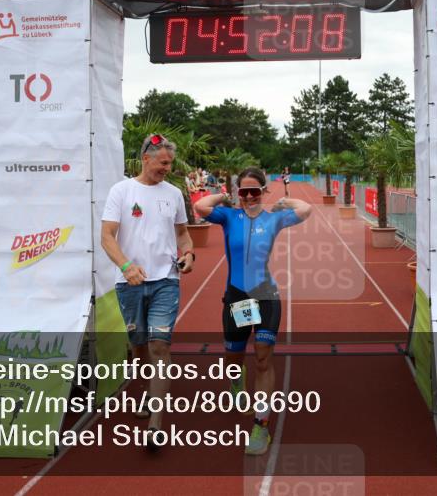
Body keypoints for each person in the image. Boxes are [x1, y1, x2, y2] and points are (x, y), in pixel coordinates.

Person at [193, 167, 311, 455]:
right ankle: (236, 379)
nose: (248, 197)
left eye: (253, 191)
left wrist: (283, 202)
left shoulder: (273, 219)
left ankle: (261, 425)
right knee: (234, 357)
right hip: (237, 298)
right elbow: (199, 206)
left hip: (265, 296)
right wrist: (224, 195)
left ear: (262, 192)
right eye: (243, 192)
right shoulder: (228, 216)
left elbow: (306, 209)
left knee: (262, 358)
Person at [100, 133, 194, 451]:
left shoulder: (174, 194)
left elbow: (183, 235)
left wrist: (189, 255)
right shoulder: (121, 191)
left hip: (166, 280)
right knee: (138, 347)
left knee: (159, 346)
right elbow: (107, 237)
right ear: (146, 158)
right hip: (130, 283)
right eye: (163, 162)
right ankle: (144, 389)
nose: (167, 168)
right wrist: (126, 266)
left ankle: (156, 424)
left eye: (170, 163)